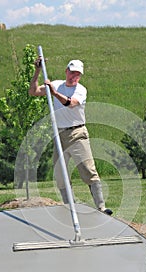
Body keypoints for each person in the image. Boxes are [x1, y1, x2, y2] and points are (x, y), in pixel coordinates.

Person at [29, 57, 112, 215]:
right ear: (66, 71)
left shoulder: (81, 90)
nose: (74, 77)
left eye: (77, 75)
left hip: (77, 133)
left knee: (88, 170)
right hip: (59, 134)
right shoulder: (56, 84)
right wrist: (37, 71)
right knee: (60, 174)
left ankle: (101, 206)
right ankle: (70, 206)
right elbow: (33, 91)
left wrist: (54, 93)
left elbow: (70, 103)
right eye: (72, 73)